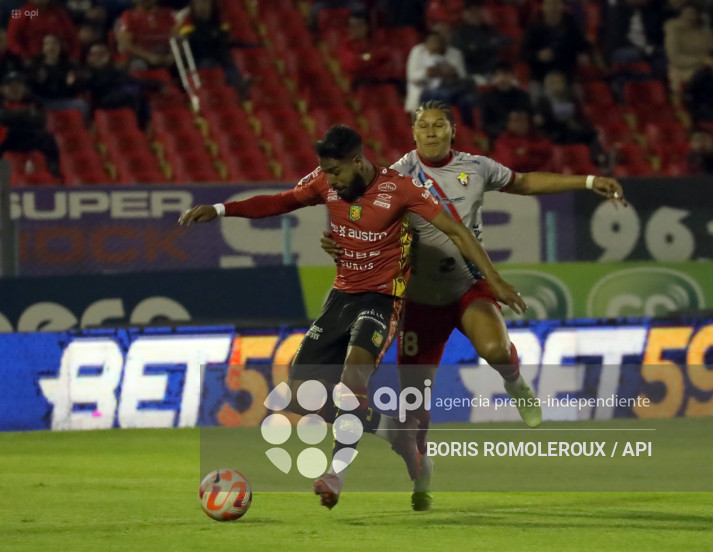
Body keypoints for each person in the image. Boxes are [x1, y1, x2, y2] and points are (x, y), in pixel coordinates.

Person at [178, 124, 527, 510]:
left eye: (336, 172)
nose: (329, 181)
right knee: (298, 394)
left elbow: (458, 232)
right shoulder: (325, 183)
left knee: (351, 379)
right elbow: (279, 202)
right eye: (325, 172)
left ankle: (335, 475)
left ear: (358, 162)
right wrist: (222, 209)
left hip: (382, 300)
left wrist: (494, 280)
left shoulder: (401, 190)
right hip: (342, 296)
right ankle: (394, 431)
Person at [321, 100, 625, 511]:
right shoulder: (396, 176)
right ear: (412, 133)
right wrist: (338, 242)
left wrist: (588, 181)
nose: (430, 132)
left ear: (452, 132)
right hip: (418, 300)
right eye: (423, 126)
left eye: (439, 126)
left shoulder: (476, 168)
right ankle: (422, 472)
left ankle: (515, 383)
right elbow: (360, 217)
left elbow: (526, 182)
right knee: (414, 411)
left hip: (467, 286)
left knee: (495, 349)